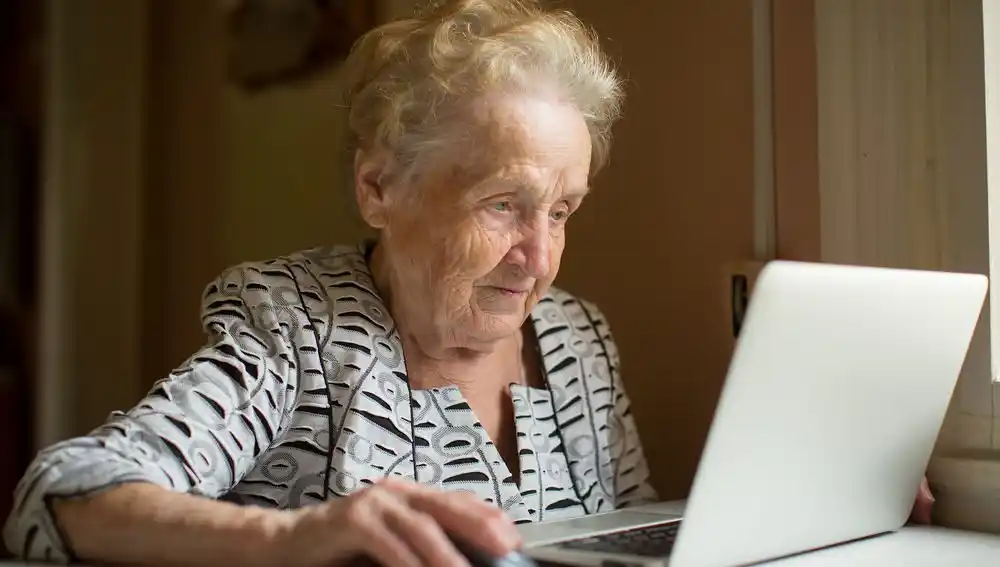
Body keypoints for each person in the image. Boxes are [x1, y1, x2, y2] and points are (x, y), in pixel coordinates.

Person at [3, 1, 658, 566]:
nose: (538, 256)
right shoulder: (296, 329)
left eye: (561, 209)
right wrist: (293, 536)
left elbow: (644, 534)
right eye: (500, 203)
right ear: (378, 187)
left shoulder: (576, 340)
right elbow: (65, 493)